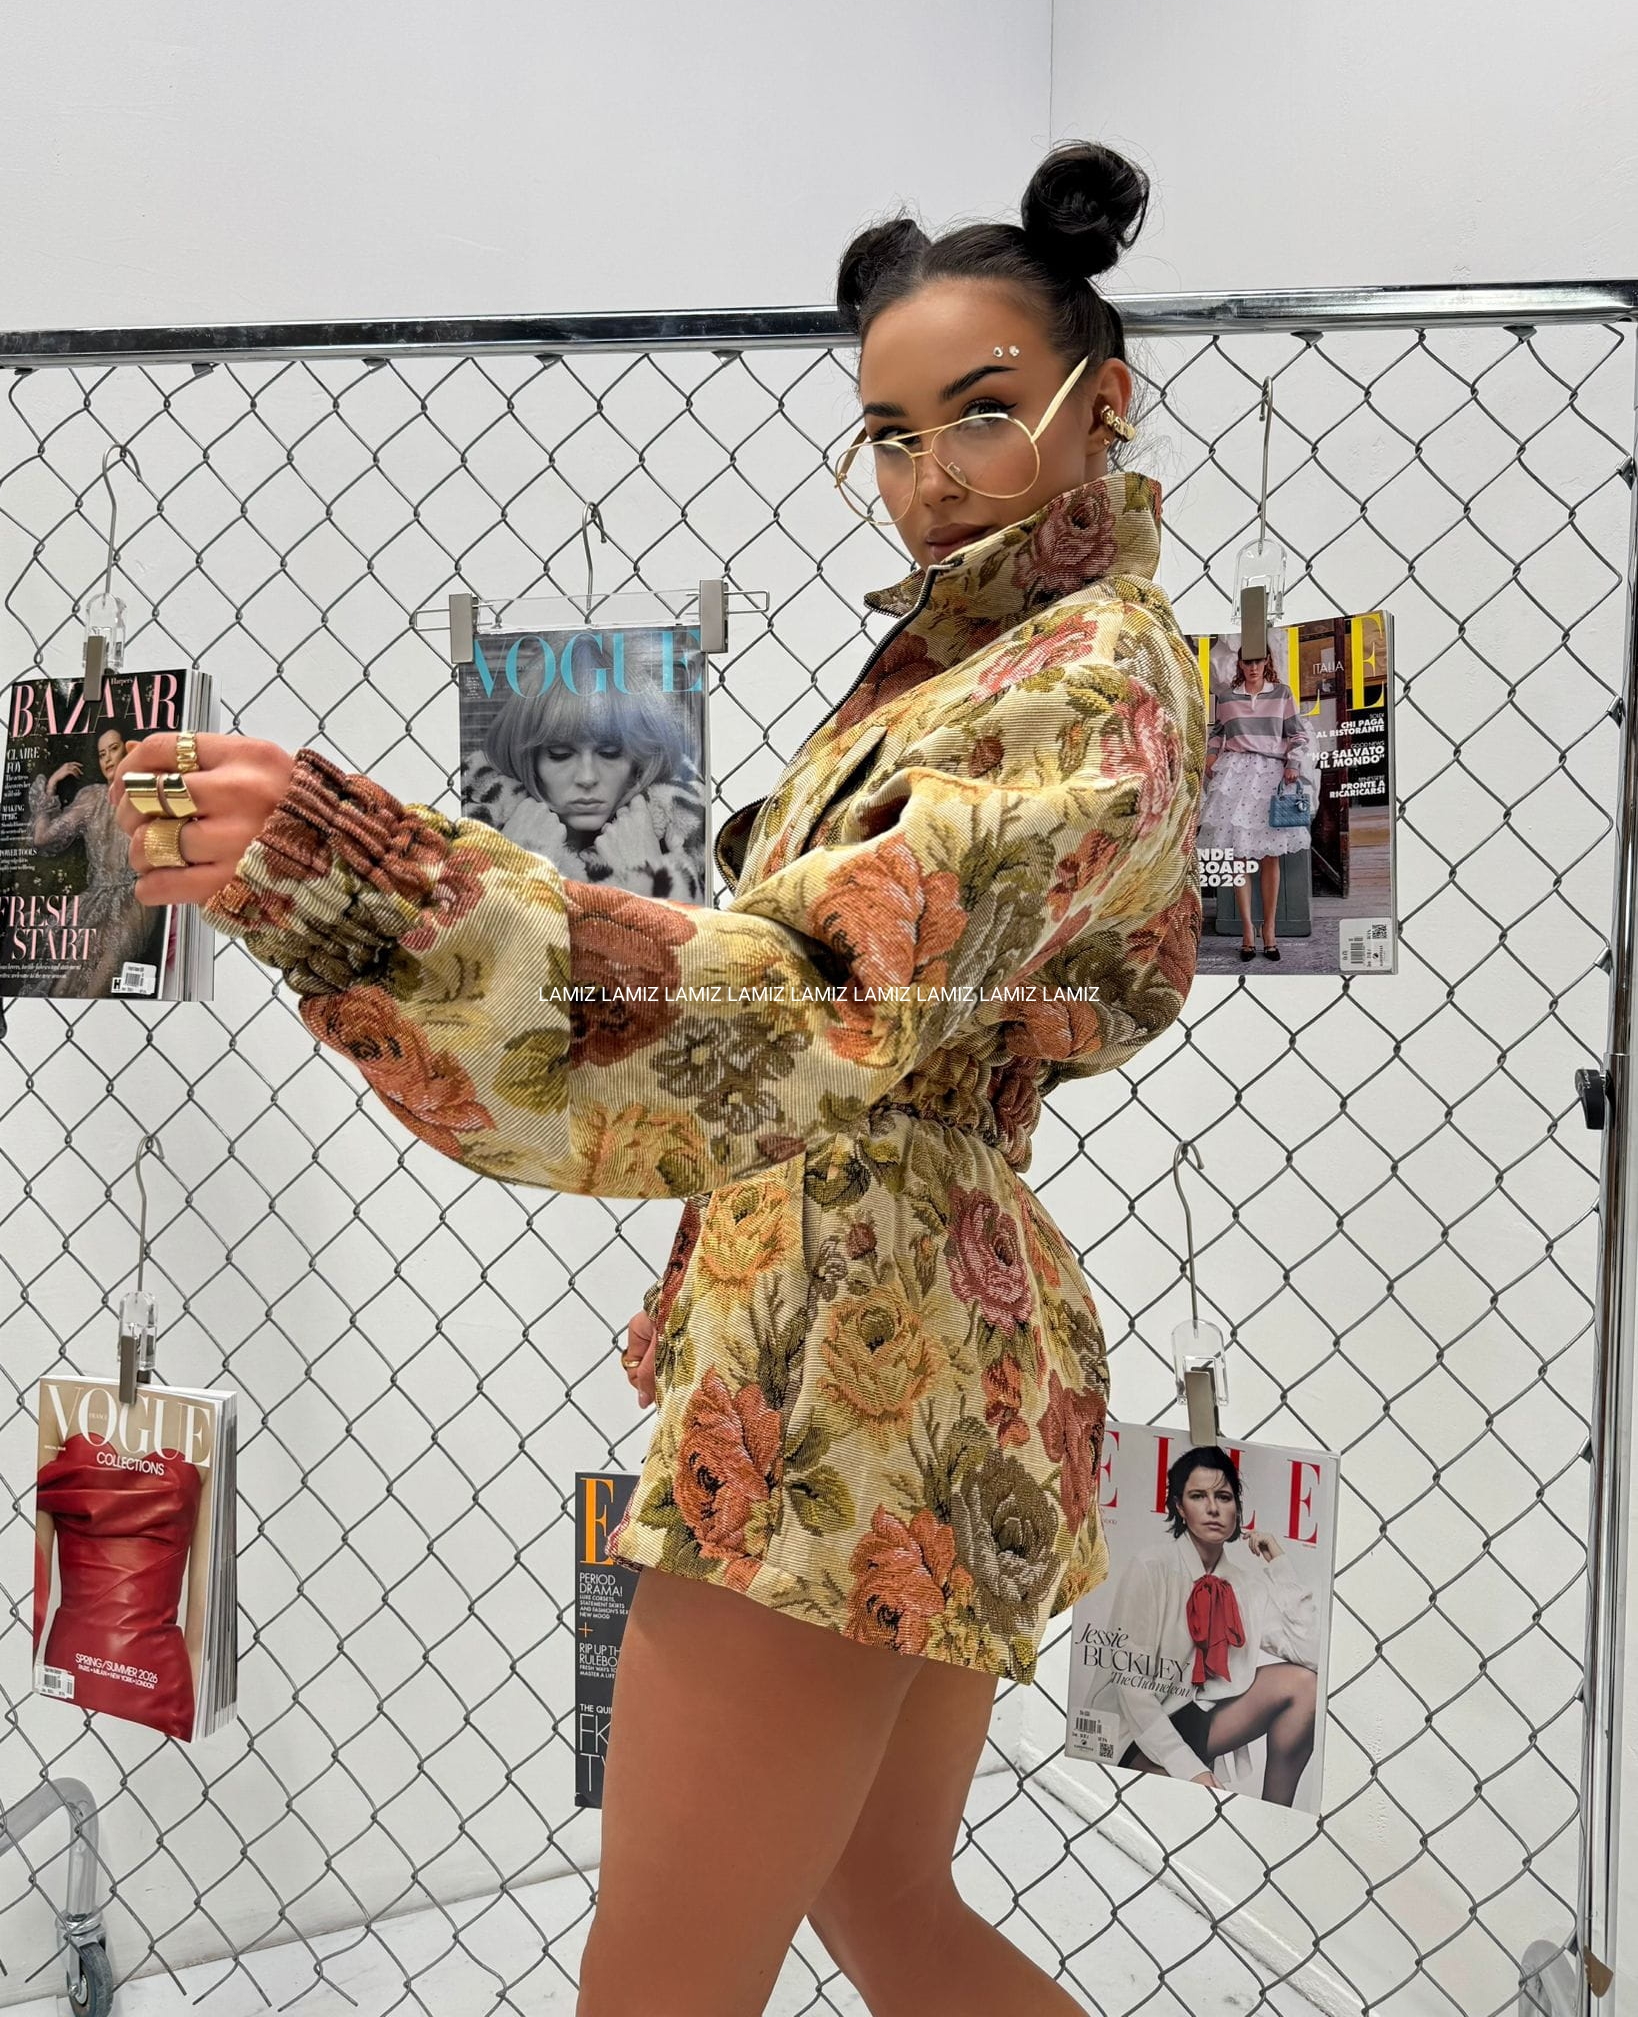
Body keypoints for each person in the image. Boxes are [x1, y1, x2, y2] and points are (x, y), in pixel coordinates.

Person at [113, 140, 1205, 2017]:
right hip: (896, 1307)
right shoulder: (994, 661)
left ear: (1100, 402)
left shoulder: (1087, 675)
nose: (927, 478)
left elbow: (811, 999)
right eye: (885, 436)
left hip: (861, 1340)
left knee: (659, 1981)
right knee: (882, 1895)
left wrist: (362, 885)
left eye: (981, 414)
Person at [1080, 1446, 1320, 1804]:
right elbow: (1132, 1687)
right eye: (1198, 1496)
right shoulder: (1152, 1567)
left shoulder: (1246, 1586)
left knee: (1305, 1687)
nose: (1212, 1508)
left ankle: (1274, 1814)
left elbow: (1311, 1654)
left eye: (1223, 1497)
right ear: (1180, 1507)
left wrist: (1280, 1565)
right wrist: (1189, 1768)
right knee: (1187, 1802)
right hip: (1133, 1724)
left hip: (1199, 1716)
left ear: (1237, 1508)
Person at [461, 654, 708, 900]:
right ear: (529, 760)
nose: (587, 778)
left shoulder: (693, 836)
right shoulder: (469, 825)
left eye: (610, 753)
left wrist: (649, 877)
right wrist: (510, 862)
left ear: (638, 760)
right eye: (560, 754)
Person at [28, 721, 161, 997]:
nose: (108, 758)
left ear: (129, 750)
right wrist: (51, 785)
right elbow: (42, 838)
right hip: (96, 901)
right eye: (102, 754)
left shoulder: (149, 793)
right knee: (64, 984)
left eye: (114, 749)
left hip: (137, 900)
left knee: (100, 983)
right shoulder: (91, 798)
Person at [1199, 640, 1311, 962]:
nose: (1252, 667)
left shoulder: (1282, 693)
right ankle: (1248, 931)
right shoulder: (1227, 697)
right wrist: (1210, 757)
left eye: (1258, 661)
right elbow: (1217, 734)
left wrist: (1293, 763)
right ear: (1239, 664)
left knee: (1270, 857)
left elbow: (1297, 734)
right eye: (1247, 662)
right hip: (1234, 774)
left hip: (1271, 775)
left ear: (1266, 662)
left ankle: (1269, 929)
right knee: (1239, 858)